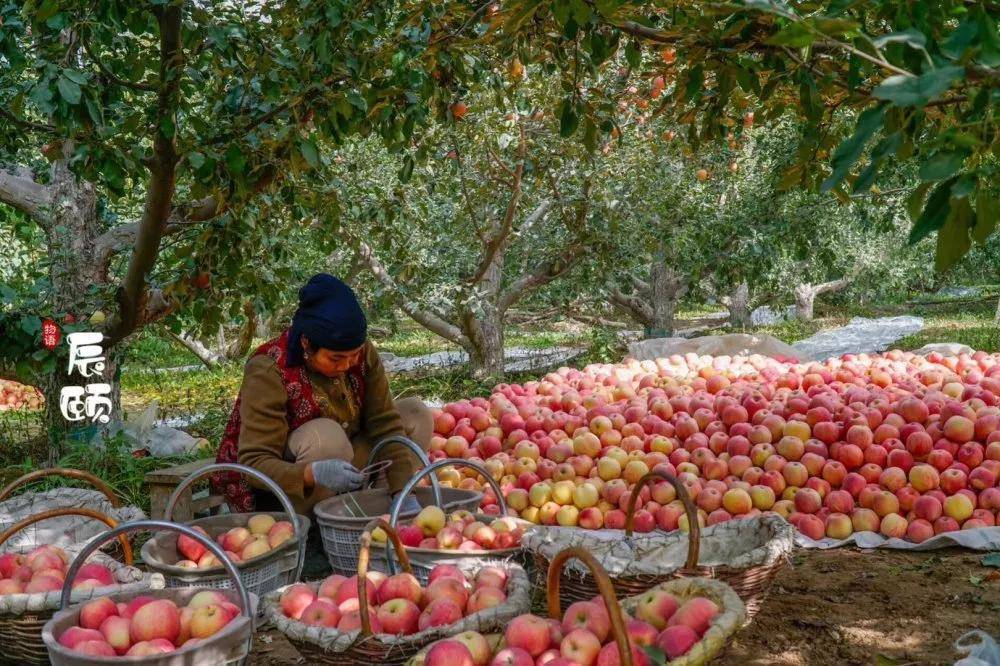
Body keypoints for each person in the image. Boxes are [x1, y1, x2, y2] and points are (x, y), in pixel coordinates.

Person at [212, 273, 432, 516]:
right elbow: (254, 463)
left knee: (415, 414)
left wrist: (403, 490)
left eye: (354, 355)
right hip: (283, 489)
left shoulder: (361, 354)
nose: (347, 365)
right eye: (336, 358)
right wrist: (312, 473)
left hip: (349, 464)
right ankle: (316, 523)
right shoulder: (269, 369)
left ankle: (382, 505)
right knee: (325, 437)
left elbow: (385, 422)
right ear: (307, 344)